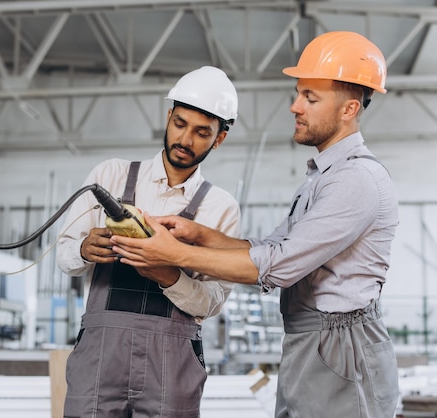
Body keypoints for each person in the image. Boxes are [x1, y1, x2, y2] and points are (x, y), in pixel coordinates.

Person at [110, 31, 400, 418]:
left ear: (348, 110)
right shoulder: (324, 177)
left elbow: (279, 267)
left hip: (342, 346)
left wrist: (175, 253)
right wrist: (202, 236)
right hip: (313, 339)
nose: (295, 106)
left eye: (310, 98)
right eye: (297, 93)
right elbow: (272, 247)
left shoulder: (355, 180)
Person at [56, 66, 241, 417]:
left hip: (171, 363)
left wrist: (168, 275)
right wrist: (83, 250)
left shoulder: (221, 208)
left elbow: (211, 302)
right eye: (180, 124)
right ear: (169, 116)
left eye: (202, 133)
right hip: (100, 356)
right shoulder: (109, 175)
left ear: (219, 138)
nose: (185, 140)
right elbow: (64, 257)